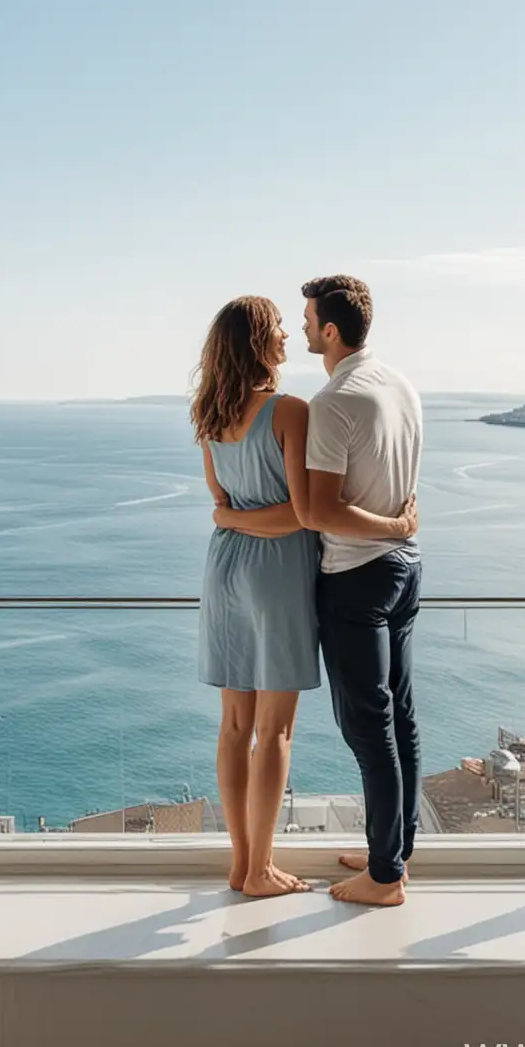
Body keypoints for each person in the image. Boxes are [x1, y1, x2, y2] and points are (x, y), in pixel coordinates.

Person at [191, 296, 324, 898]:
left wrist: (234, 518)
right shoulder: (289, 412)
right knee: (273, 732)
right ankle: (261, 871)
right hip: (276, 576)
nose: (285, 340)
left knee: (233, 727)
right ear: (256, 343)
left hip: (224, 570)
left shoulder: (209, 420)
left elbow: (222, 507)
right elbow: (302, 512)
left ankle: (242, 864)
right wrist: (252, 518)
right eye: (277, 331)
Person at [298, 275, 424, 907]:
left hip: (356, 577)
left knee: (369, 728)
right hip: (405, 569)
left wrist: (391, 526)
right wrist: (402, 529)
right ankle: (395, 848)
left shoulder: (333, 401)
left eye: (308, 318)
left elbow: (323, 512)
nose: (301, 328)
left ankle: (383, 878)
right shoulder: (400, 384)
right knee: (399, 717)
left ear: (330, 330)